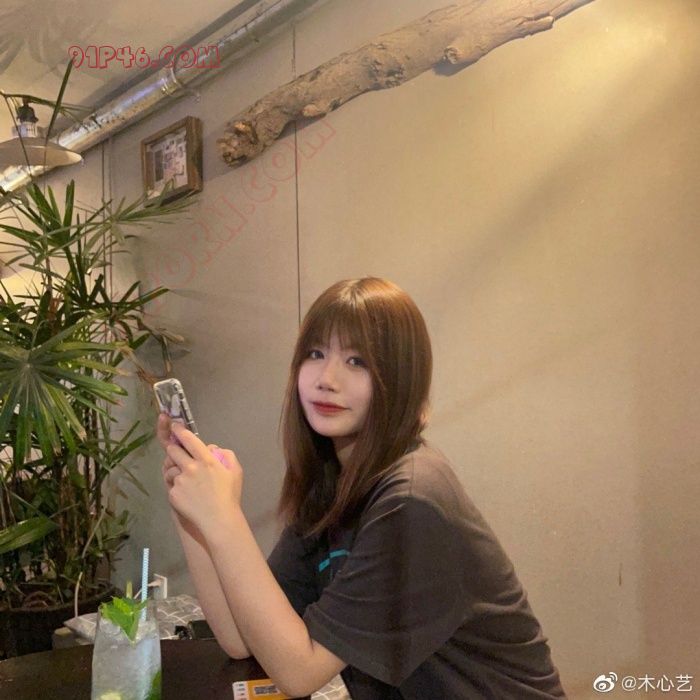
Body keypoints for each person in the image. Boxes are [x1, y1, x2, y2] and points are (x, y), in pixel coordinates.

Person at [157, 277, 567, 699]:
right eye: (316, 354)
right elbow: (241, 639)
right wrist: (191, 507)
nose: (327, 378)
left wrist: (223, 517)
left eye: (357, 361)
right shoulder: (331, 483)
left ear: (400, 379)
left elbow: (298, 673)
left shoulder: (412, 501)